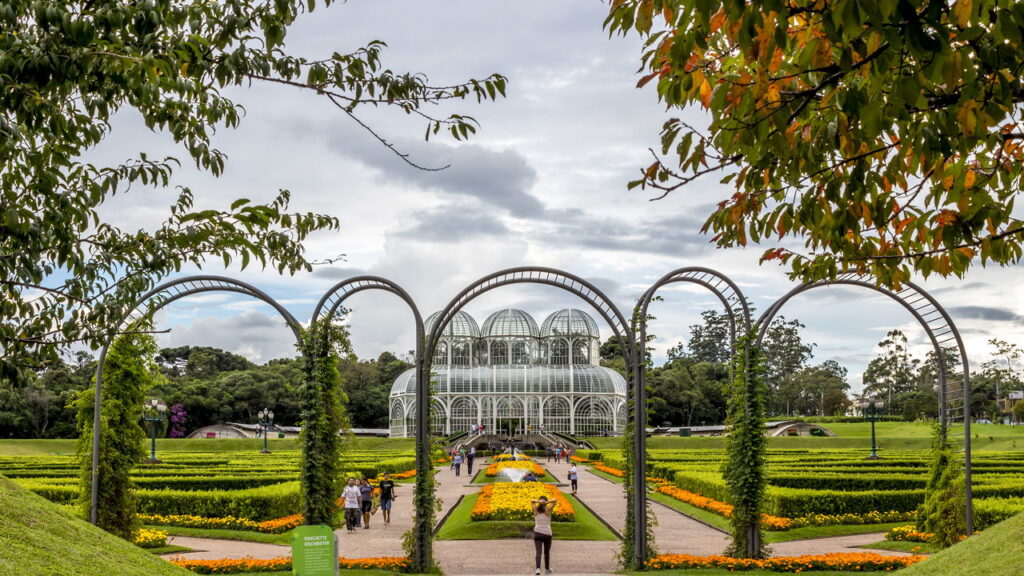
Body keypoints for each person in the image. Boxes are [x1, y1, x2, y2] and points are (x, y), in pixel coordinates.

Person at [531, 495, 557, 575]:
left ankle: (538, 569)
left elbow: (532, 501)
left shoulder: (536, 510)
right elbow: (555, 500)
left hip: (537, 532)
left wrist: (539, 502)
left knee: (538, 552)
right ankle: (546, 570)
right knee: (546, 553)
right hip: (547, 533)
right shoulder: (548, 509)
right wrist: (546, 502)